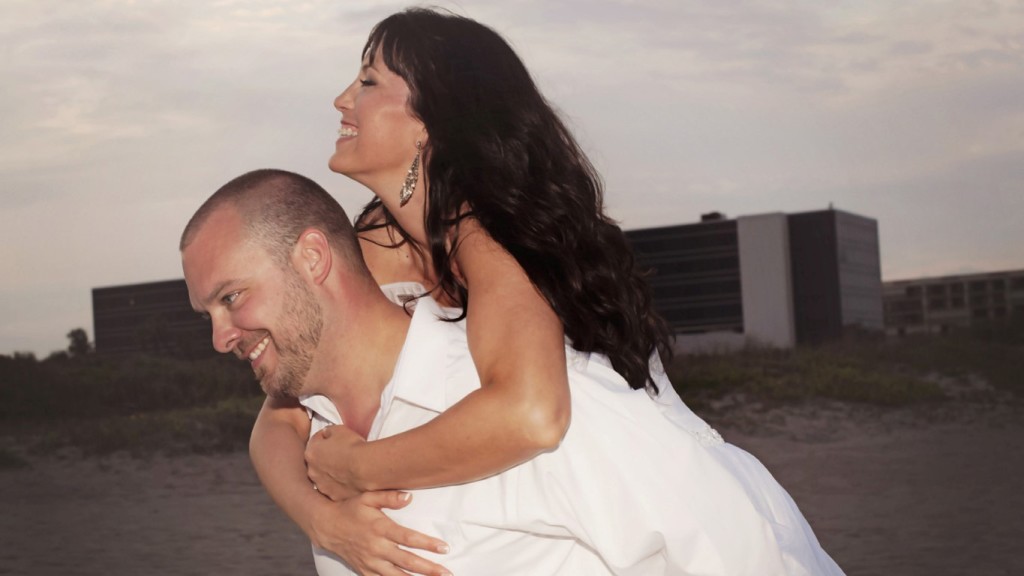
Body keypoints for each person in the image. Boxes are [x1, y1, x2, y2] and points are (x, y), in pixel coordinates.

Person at [181, 169, 844, 576]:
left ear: (314, 259)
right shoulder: (314, 433)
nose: (219, 337)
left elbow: (755, 557)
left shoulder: (538, 394)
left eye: (232, 297)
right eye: (207, 312)